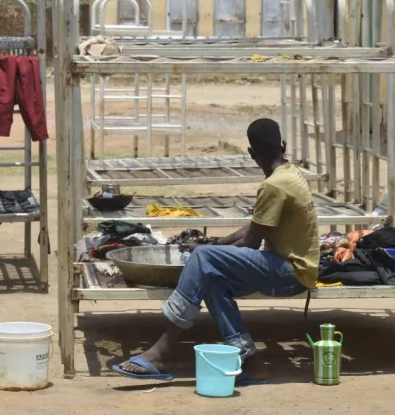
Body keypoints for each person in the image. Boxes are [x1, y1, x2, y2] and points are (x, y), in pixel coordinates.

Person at [112, 118, 320, 385]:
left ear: (251, 153)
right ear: (283, 145)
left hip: (290, 272)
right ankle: (253, 365)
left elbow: (250, 243)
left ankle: (162, 351)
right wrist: (216, 243)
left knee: (202, 260)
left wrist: (206, 253)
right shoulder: (290, 174)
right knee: (211, 279)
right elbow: (254, 228)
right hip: (295, 268)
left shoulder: (273, 186)